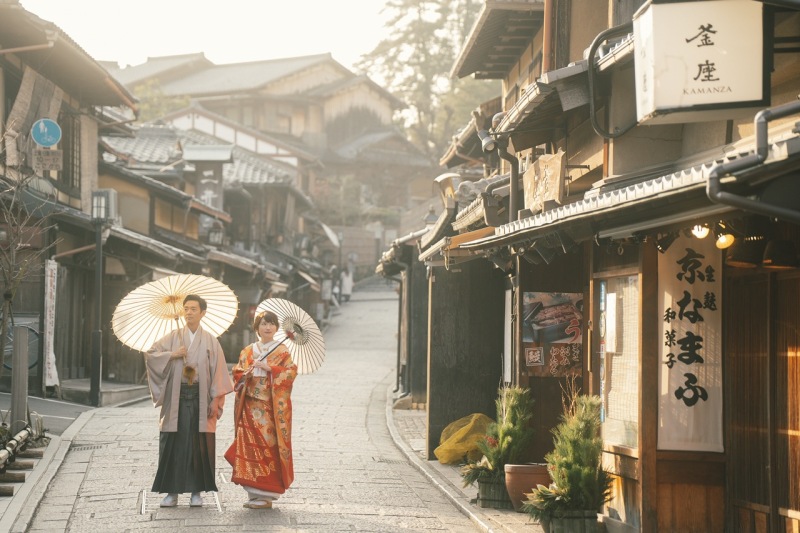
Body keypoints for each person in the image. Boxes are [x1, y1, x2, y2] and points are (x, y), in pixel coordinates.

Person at [144, 294, 234, 508]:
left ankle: (196, 492)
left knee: (198, 446)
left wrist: (215, 400)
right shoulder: (173, 336)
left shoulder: (211, 340)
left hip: (200, 400)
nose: (189, 312)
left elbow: (219, 372)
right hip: (177, 399)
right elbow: (151, 355)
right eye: (186, 309)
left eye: (194, 309)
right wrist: (173, 354)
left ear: (203, 313)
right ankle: (172, 492)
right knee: (173, 445)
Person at [225, 310, 298, 509]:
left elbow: (290, 373)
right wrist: (245, 374)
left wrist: (270, 369)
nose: (268, 327)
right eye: (264, 324)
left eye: (272, 324)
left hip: (269, 408)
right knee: (249, 446)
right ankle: (254, 491)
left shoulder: (282, 351)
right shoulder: (248, 350)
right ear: (256, 327)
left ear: (277, 328)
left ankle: (267, 494)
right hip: (249, 405)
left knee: (268, 447)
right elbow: (237, 372)